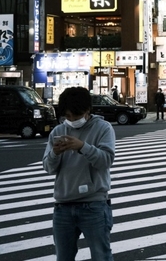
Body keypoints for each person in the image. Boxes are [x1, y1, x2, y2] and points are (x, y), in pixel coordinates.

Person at [42, 87, 116, 261]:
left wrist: (82, 146)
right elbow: (48, 167)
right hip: (63, 206)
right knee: (63, 257)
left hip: (94, 204)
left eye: (76, 116)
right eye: (68, 117)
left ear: (87, 110)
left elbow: (106, 160)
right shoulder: (58, 132)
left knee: (101, 256)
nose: (72, 120)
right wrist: (55, 153)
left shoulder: (103, 128)